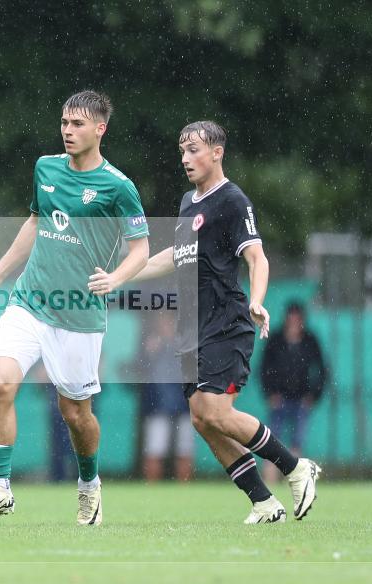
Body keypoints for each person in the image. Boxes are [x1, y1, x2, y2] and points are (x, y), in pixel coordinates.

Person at [0, 91, 150, 526]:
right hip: (29, 301)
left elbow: (141, 249)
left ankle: (88, 484)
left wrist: (116, 279)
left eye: (78, 124)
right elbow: (34, 223)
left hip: (79, 315)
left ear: (100, 129)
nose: (68, 130)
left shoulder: (118, 186)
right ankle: (0, 487)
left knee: (75, 414)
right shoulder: (45, 168)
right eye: (65, 122)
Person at [132, 121, 320, 524]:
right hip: (192, 330)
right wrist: (123, 274)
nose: (185, 158)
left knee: (216, 412)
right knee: (202, 419)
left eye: (194, 150)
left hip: (225, 324)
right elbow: (176, 254)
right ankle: (264, 502)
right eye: (182, 151)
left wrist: (257, 300)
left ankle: (296, 467)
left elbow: (257, 257)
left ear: (217, 152)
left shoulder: (233, 200)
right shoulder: (188, 201)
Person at [259, 302, 326, 482]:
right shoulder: (276, 339)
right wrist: (270, 393)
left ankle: (295, 482)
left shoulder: (310, 340)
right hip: (279, 399)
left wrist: (313, 395)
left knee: (297, 442)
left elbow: (321, 370)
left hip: (301, 399)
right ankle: (270, 483)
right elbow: (264, 368)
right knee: (272, 441)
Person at [140, 309, 194, 482]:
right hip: (158, 406)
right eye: (162, 320)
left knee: (184, 450)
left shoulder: (186, 344)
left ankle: (184, 490)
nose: (166, 324)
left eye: (169, 320)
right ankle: (152, 490)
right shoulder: (150, 343)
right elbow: (138, 370)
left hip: (184, 404)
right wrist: (148, 353)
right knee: (155, 449)